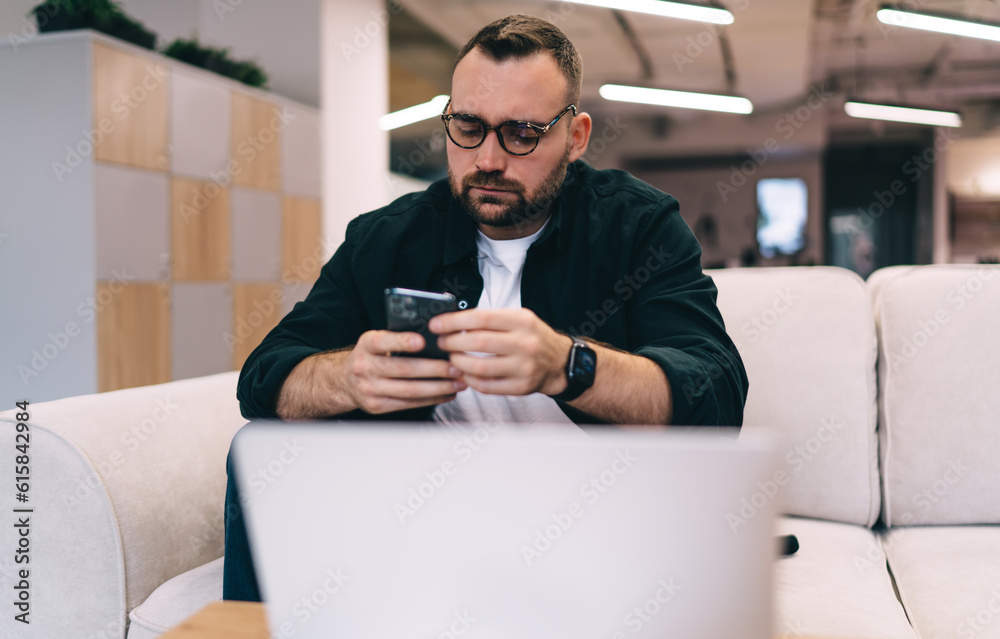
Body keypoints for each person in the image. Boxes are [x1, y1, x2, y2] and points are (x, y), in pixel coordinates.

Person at [224, 13, 748, 602]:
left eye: (522, 133)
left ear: (575, 137)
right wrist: (347, 377)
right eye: (468, 127)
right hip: (431, 515)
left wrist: (567, 365)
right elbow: (264, 378)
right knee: (255, 451)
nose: (488, 160)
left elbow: (716, 396)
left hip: (600, 518)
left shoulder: (638, 227)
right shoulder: (388, 237)